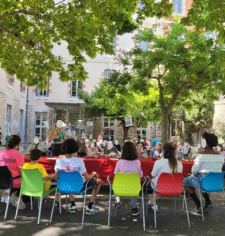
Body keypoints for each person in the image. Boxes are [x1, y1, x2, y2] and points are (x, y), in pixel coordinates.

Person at [54, 138, 101, 214]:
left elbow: (56, 178)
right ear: (75, 148)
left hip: (64, 186)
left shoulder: (58, 161)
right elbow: (87, 178)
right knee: (98, 181)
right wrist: (94, 173)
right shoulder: (79, 161)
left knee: (69, 179)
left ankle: (72, 205)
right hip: (79, 187)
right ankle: (90, 206)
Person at [184, 132, 223, 213]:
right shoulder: (220, 155)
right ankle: (208, 202)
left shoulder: (201, 155)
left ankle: (198, 205)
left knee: (186, 182)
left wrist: (195, 175)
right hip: (218, 183)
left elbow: (194, 171)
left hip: (204, 182)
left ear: (205, 143)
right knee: (201, 181)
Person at [147, 143, 183, 212]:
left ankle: (152, 203)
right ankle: (151, 202)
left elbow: (153, 175)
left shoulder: (158, 163)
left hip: (161, 187)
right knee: (163, 184)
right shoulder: (180, 163)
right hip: (176, 188)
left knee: (150, 184)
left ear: (163, 151)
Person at [114, 141, 143, 220]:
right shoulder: (137, 162)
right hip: (133, 187)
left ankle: (118, 202)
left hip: (121, 187)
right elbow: (140, 175)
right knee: (133, 185)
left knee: (117, 185)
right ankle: (134, 208)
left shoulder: (119, 162)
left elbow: (115, 174)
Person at [0, 135, 26, 209]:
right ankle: (12, 196)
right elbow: (22, 170)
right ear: (19, 144)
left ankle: (5, 195)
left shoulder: (2, 153)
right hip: (13, 182)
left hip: (1, 182)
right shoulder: (18, 154)